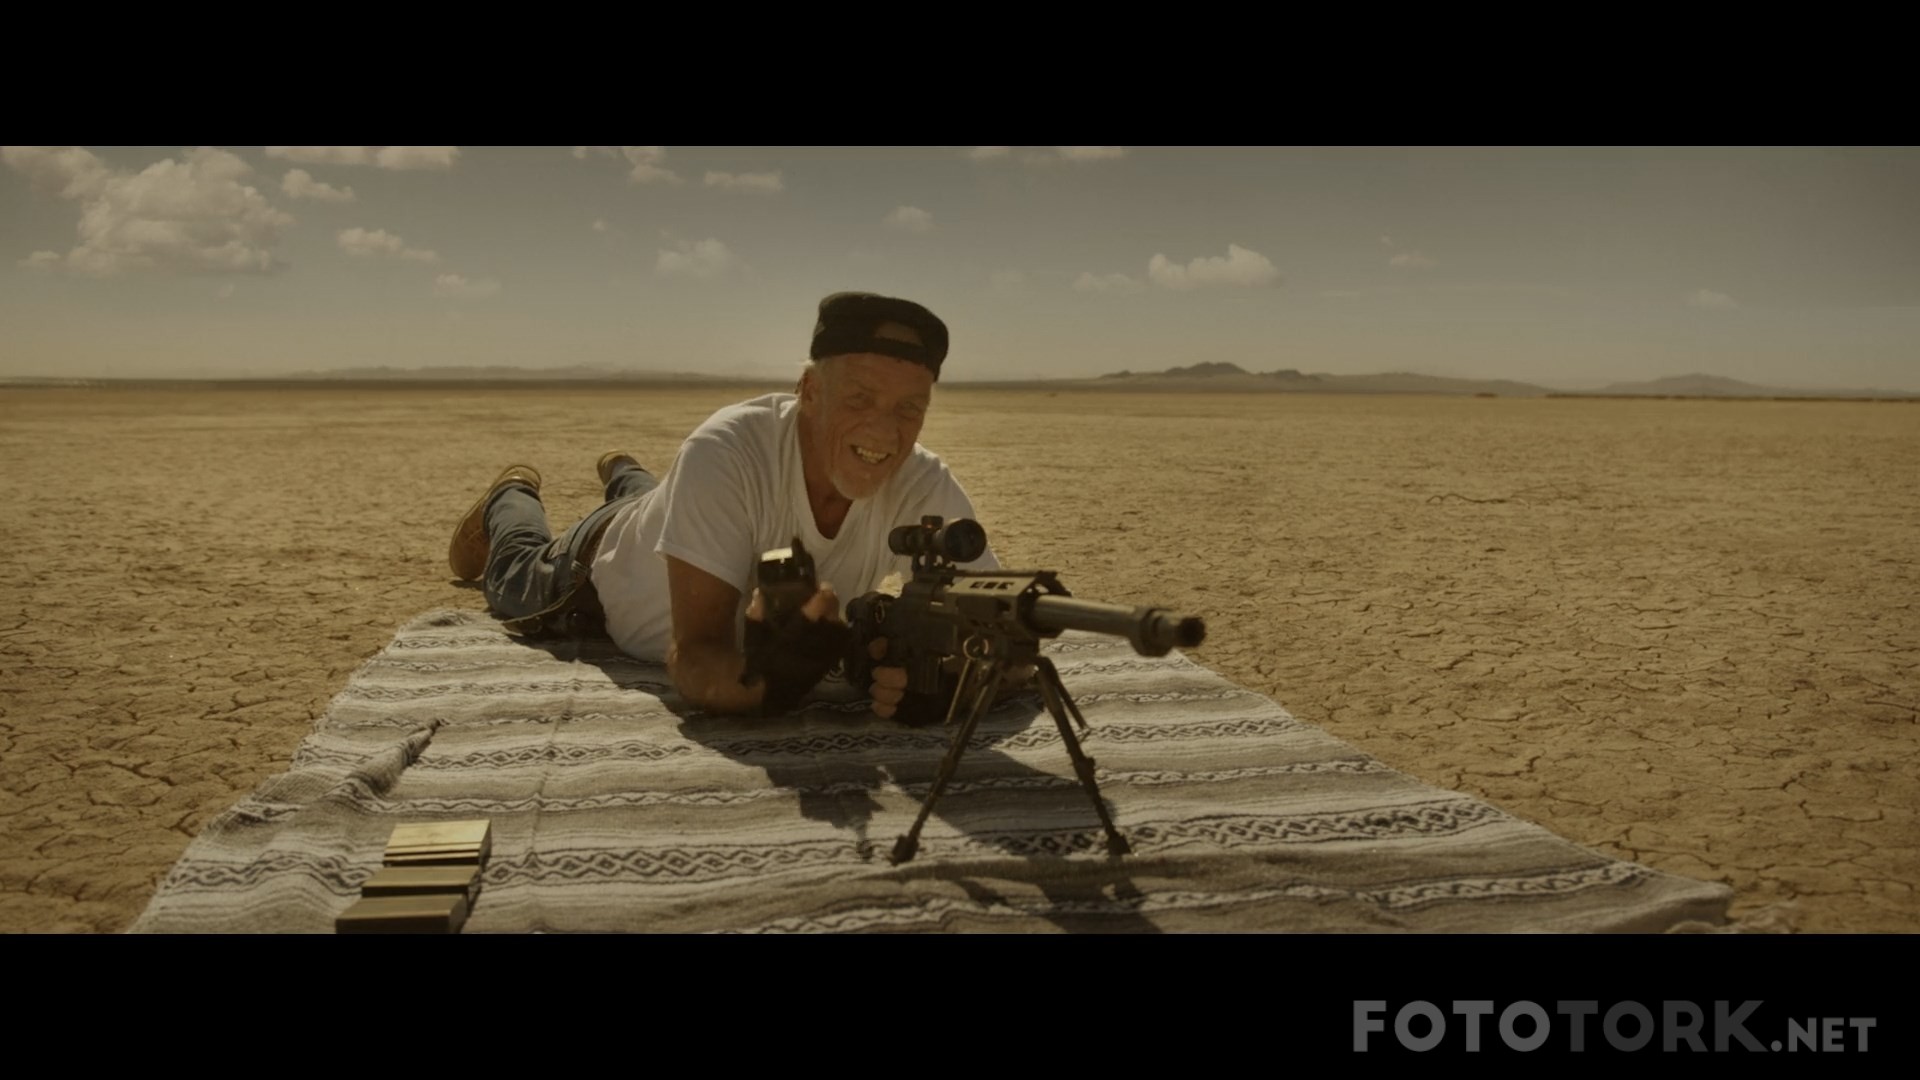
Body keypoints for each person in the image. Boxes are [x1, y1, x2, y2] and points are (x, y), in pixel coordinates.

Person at [446, 291, 998, 719]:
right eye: (860, 398)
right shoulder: (725, 450)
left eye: (909, 408)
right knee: (515, 564)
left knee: (652, 496)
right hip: (590, 570)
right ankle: (510, 495)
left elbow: (998, 626)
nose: (884, 430)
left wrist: (964, 680)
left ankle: (624, 472)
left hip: (666, 510)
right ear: (809, 391)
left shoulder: (922, 480)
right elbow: (696, 655)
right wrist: (770, 684)